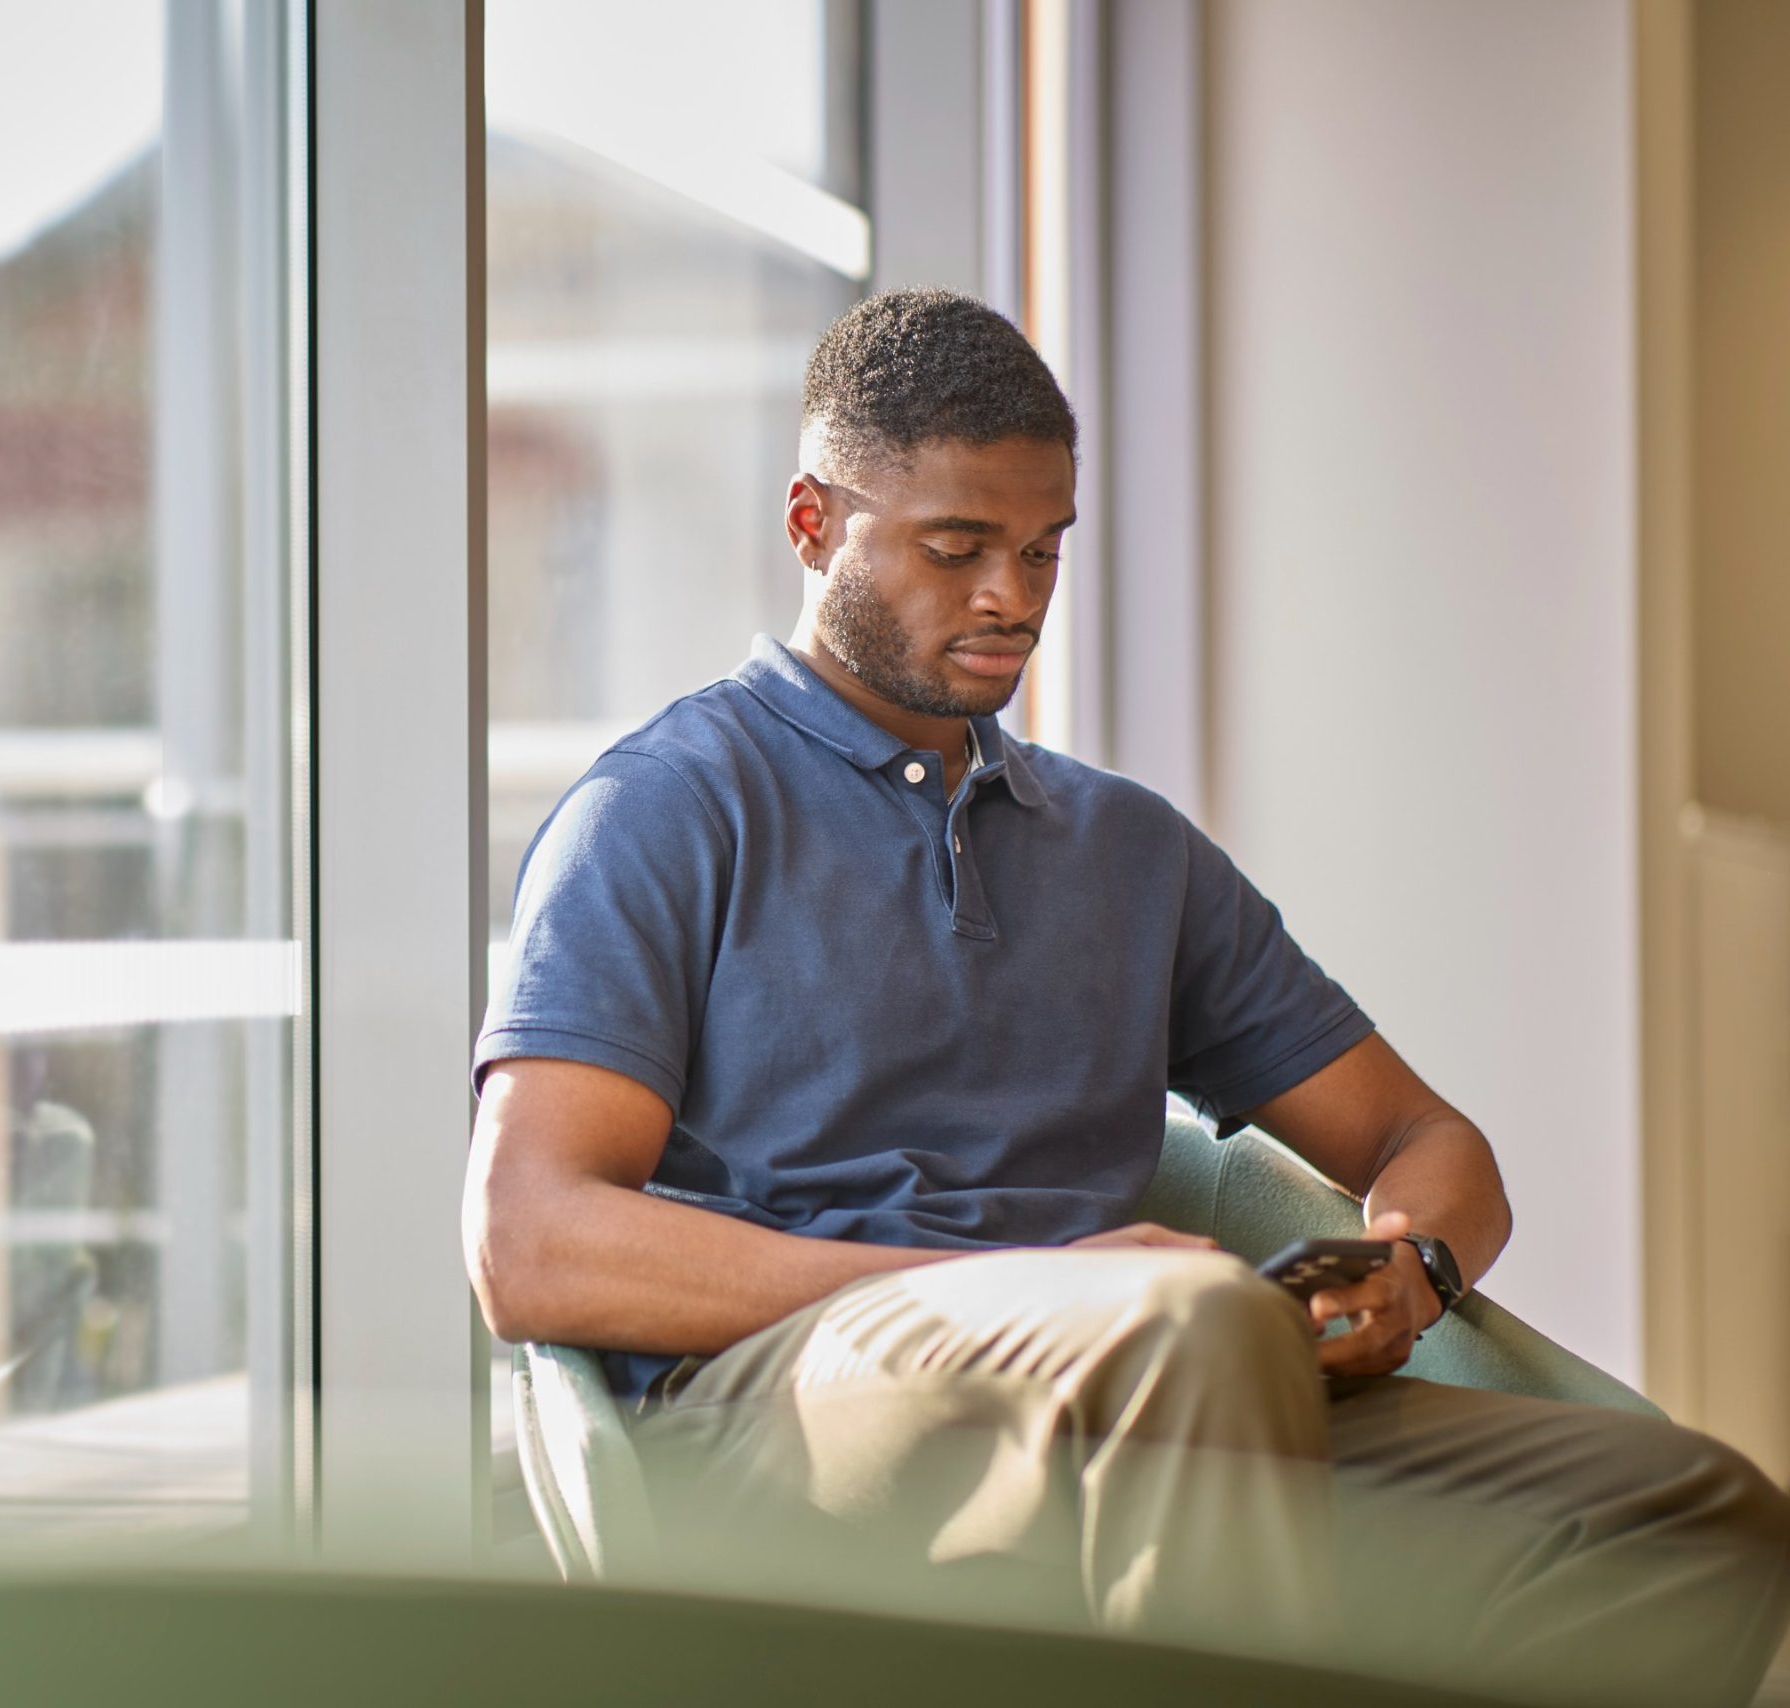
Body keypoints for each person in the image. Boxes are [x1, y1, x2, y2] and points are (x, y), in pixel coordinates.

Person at [463, 289, 1790, 1706]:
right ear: (811, 523)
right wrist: (1011, 1289)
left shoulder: (1125, 851)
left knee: (1698, 1516)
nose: (1012, 598)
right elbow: (531, 1243)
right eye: (956, 548)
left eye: (1042, 549)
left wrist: (1408, 1275)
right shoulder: (665, 809)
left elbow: (1430, 1144)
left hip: (1166, 1383)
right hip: (790, 1400)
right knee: (1192, 1327)